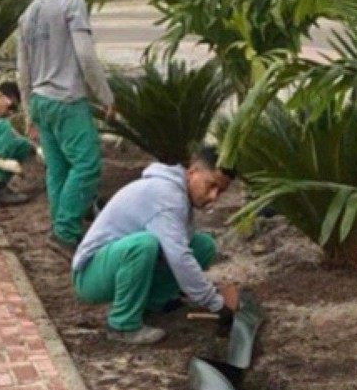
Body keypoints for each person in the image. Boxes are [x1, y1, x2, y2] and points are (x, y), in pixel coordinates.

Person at [71, 147, 241, 345]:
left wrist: (208, 295)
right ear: (193, 172)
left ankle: (154, 303)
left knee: (202, 246)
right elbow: (179, 259)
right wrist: (217, 304)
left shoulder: (179, 196)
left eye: (220, 191)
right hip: (90, 275)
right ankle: (122, 325)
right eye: (210, 185)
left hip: (116, 264)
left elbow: (180, 250)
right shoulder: (168, 197)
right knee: (144, 245)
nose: (213, 196)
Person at [17, 0, 114, 257]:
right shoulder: (73, 4)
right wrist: (106, 96)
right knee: (86, 166)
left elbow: (23, 71)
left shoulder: (27, 15)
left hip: (41, 101)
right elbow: (85, 55)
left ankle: (60, 229)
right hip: (67, 100)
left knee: (57, 170)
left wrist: (27, 111)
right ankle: (65, 232)